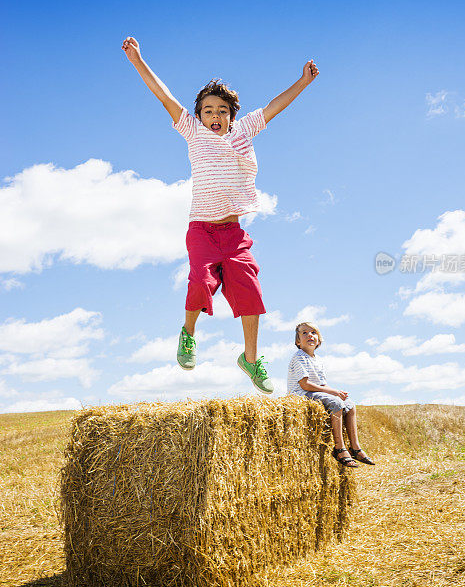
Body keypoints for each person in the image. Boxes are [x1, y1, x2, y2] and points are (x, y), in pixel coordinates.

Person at [122, 37, 319, 393]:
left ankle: (251, 358)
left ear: (233, 116)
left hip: (233, 233)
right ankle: (188, 334)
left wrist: (302, 82)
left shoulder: (245, 130)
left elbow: (276, 105)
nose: (216, 116)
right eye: (209, 110)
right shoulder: (192, 132)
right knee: (201, 281)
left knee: (251, 292)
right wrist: (138, 60)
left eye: (223, 111)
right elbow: (163, 95)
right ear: (198, 115)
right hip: (201, 229)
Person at [287, 322, 375, 467]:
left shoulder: (318, 360)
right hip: (301, 395)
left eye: (313, 332)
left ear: (319, 339)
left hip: (315, 392)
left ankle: (355, 447)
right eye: (304, 333)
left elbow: (322, 384)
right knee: (336, 403)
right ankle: (339, 448)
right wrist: (333, 393)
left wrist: (337, 392)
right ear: (298, 341)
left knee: (349, 404)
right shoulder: (299, 357)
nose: (309, 335)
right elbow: (305, 385)